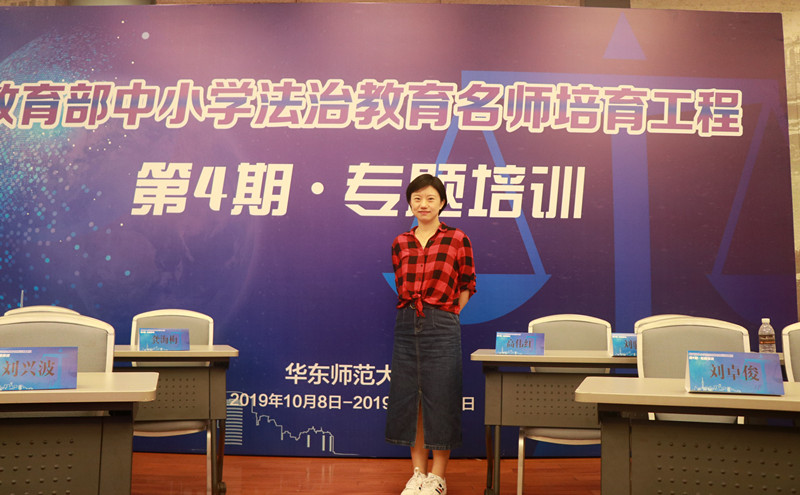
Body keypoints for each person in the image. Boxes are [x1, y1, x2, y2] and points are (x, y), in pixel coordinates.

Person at [385, 173, 477, 495]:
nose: (423, 204)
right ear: (410, 204)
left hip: (442, 323)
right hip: (406, 322)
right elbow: (400, 283)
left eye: (430, 198)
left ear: (442, 203)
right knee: (412, 400)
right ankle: (418, 474)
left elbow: (467, 284)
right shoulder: (400, 242)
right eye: (417, 199)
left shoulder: (457, 239)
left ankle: (438, 478)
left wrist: (447, 313)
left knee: (442, 398)